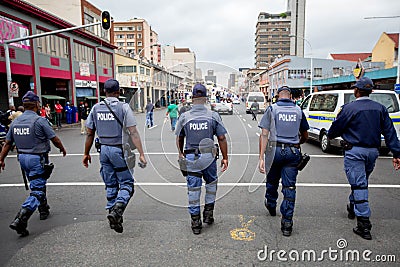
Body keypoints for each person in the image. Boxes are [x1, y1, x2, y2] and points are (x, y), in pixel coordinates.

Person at [327, 77, 400, 240]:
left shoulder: (349, 108)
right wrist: (397, 153)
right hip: (373, 152)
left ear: (356, 91)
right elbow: (390, 133)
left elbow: (335, 128)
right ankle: (353, 207)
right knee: (361, 182)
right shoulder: (381, 109)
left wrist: (331, 135)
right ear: (371, 91)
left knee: (359, 185)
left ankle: (364, 224)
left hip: (354, 151)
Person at [83, 79, 147, 234]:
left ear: (105, 91)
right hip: (120, 151)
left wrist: (86, 153)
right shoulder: (123, 107)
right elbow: (133, 132)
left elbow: (89, 133)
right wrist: (141, 153)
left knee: (111, 184)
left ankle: (112, 214)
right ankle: (117, 210)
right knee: (126, 184)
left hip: (103, 151)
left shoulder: (96, 108)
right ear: (119, 92)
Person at [0, 91, 66, 237]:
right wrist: (61, 148)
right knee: (38, 189)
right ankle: (22, 217)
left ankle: (43, 209)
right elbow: (54, 138)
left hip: (22, 159)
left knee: (37, 184)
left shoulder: (15, 122)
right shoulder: (40, 121)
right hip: (37, 158)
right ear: (37, 104)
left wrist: (1, 159)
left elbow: (7, 144)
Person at [175, 83, 229, 235]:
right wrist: (225, 157)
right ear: (206, 99)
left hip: (191, 156)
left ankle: (195, 222)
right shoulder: (213, 115)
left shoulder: (185, 116)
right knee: (211, 184)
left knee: (193, 189)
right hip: (209, 156)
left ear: (192, 98)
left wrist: (181, 154)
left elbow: (179, 137)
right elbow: (222, 137)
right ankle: (208, 214)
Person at [258, 86, 309, 237]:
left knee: (272, 180)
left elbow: (264, 135)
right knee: (289, 187)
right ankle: (287, 223)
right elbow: (305, 134)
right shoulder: (298, 111)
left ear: (278, 96)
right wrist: (298, 142)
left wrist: (261, 157)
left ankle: (271, 203)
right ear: (290, 96)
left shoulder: (272, 109)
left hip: (274, 151)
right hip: (292, 152)